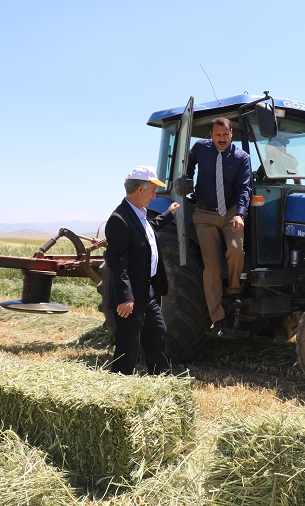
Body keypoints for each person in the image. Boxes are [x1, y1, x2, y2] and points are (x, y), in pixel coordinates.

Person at [105, 165, 180, 375]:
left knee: (157, 334)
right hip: (131, 295)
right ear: (140, 190)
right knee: (128, 344)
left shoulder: (139, 214)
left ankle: (160, 378)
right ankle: (119, 381)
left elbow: (148, 229)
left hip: (147, 290)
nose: (154, 196)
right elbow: (117, 263)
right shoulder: (119, 219)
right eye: (153, 191)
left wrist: (169, 214)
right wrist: (125, 297)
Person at [187, 117, 252, 336]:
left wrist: (240, 214)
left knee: (236, 249)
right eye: (217, 135)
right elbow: (188, 164)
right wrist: (187, 179)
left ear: (231, 133)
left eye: (225, 134)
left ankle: (234, 289)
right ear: (211, 135)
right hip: (205, 214)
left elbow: (244, 188)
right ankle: (218, 319)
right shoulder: (200, 148)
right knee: (212, 267)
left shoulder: (242, 158)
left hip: (231, 212)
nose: (221, 139)